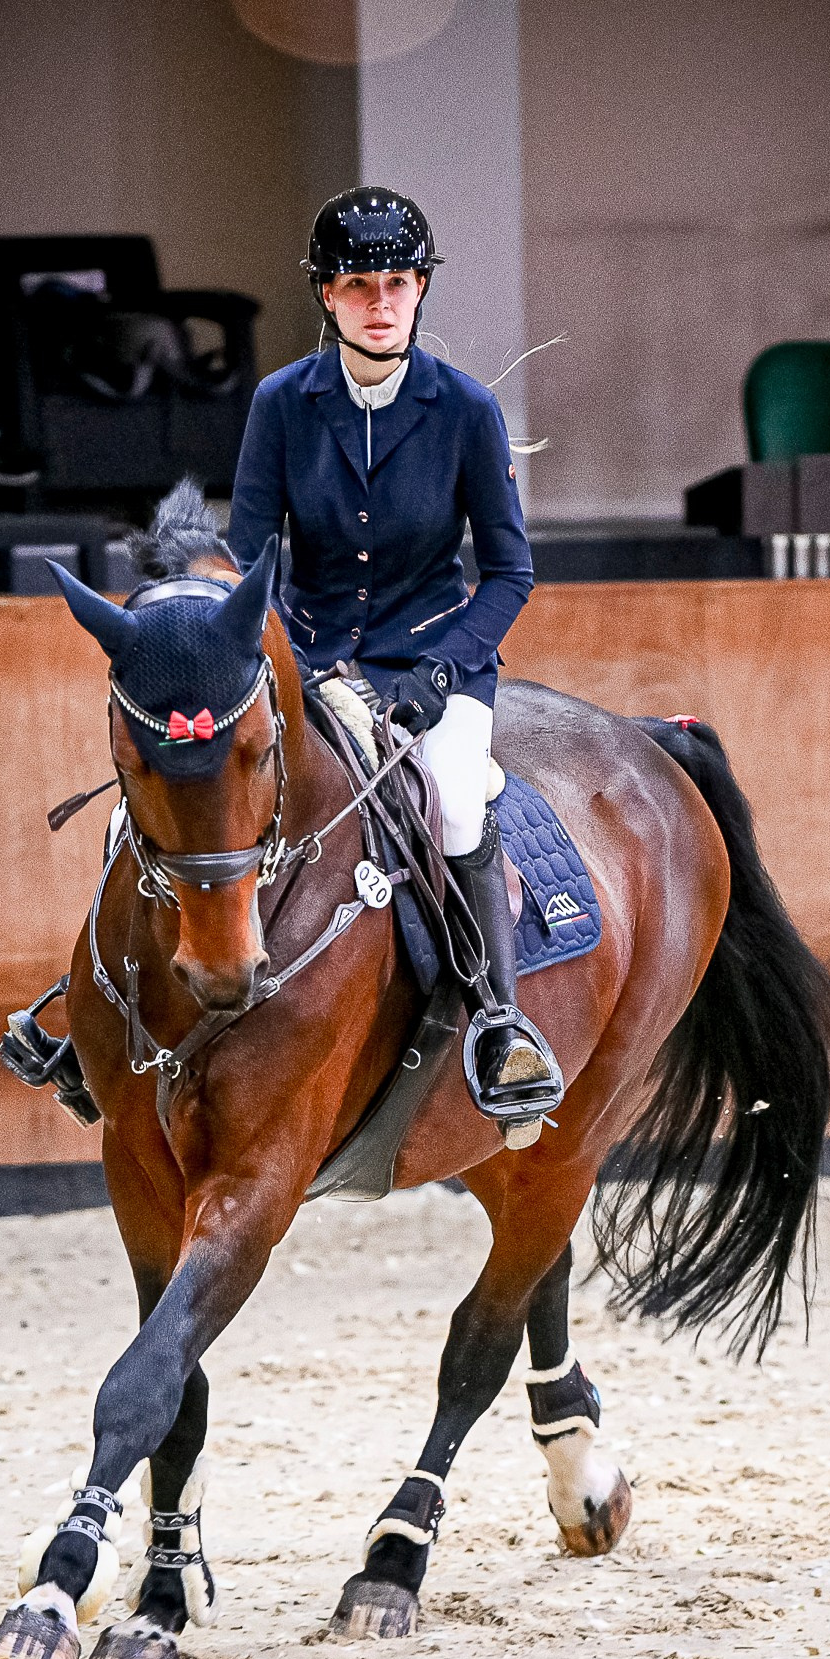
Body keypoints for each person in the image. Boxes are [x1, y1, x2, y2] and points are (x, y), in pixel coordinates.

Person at [227, 187, 562, 1134]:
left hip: (434, 668)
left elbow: (509, 572)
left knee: (456, 794)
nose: (381, 302)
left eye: (399, 283)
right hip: (314, 664)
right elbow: (252, 562)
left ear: (421, 292)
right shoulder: (281, 406)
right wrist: (301, 662)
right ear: (326, 297)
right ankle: (110, 999)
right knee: (210, 780)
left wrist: (444, 670)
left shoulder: (465, 410)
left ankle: (499, 1021)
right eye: (359, 284)